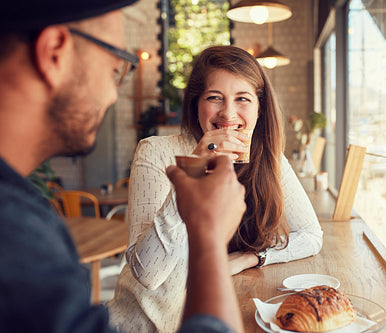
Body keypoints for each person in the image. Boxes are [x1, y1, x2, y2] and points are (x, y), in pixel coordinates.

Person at [0, 2, 246, 332]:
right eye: (117, 68)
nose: (114, 94)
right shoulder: (16, 239)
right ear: (54, 52)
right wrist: (209, 233)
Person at [108, 45, 323, 332]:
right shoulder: (155, 151)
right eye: (214, 98)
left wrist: (252, 257)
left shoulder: (269, 159)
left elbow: (311, 236)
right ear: (196, 104)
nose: (228, 113)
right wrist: (193, 170)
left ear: (259, 108)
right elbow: (147, 273)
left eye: (242, 99)